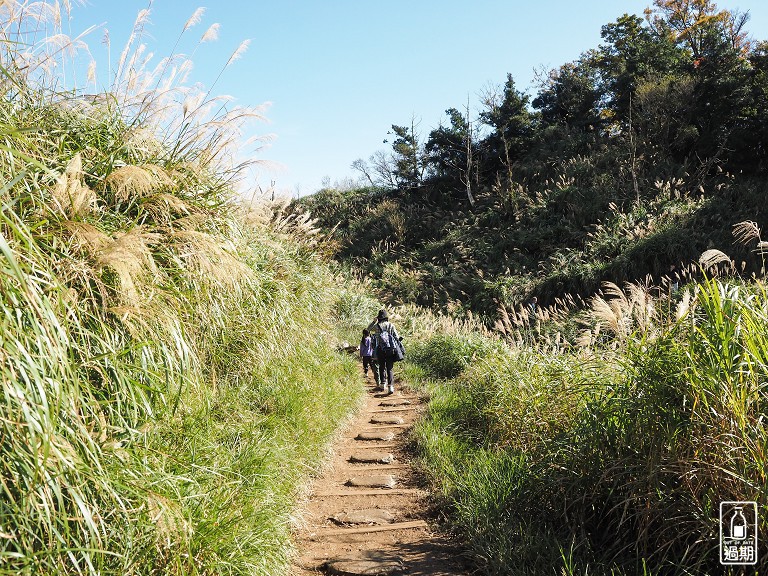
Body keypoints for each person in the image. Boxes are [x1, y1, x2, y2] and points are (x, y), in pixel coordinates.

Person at [370, 309, 402, 395]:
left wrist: (374, 321)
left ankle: (382, 384)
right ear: (386, 317)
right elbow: (396, 337)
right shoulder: (391, 325)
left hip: (380, 349)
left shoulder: (376, 326)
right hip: (390, 350)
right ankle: (390, 386)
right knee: (390, 368)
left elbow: (368, 329)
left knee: (381, 367)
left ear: (379, 317)